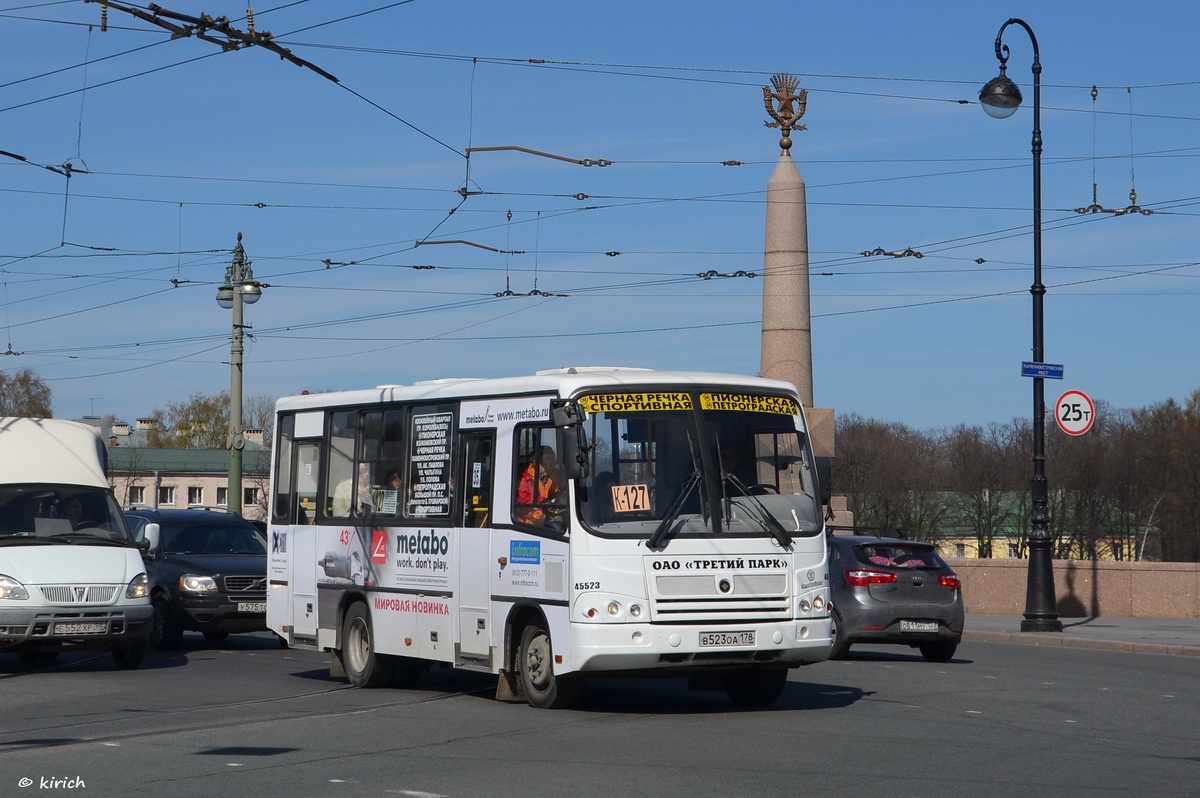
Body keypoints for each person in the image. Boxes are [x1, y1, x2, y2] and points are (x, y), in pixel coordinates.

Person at [516, 445, 564, 525]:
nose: (548, 467)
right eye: (544, 464)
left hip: (551, 518)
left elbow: (565, 492)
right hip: (528, 522)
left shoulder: (559, 476)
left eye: (551, 464)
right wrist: (545, 501)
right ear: (535, 462)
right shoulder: (525, 478)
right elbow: (523, 499)